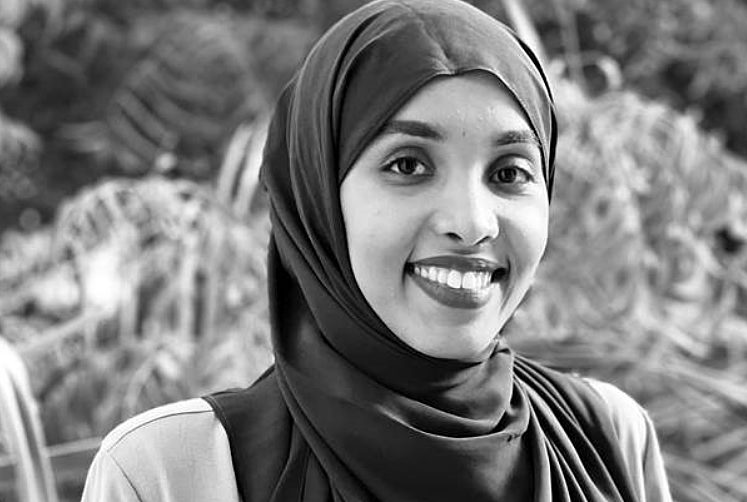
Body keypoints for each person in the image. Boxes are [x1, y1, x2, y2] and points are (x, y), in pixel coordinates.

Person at [81, 0, 672, 500]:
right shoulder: (171, 472)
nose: (471, 223)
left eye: (509, 173)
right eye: (408, 165)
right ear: (317, 198)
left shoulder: (610, 437)